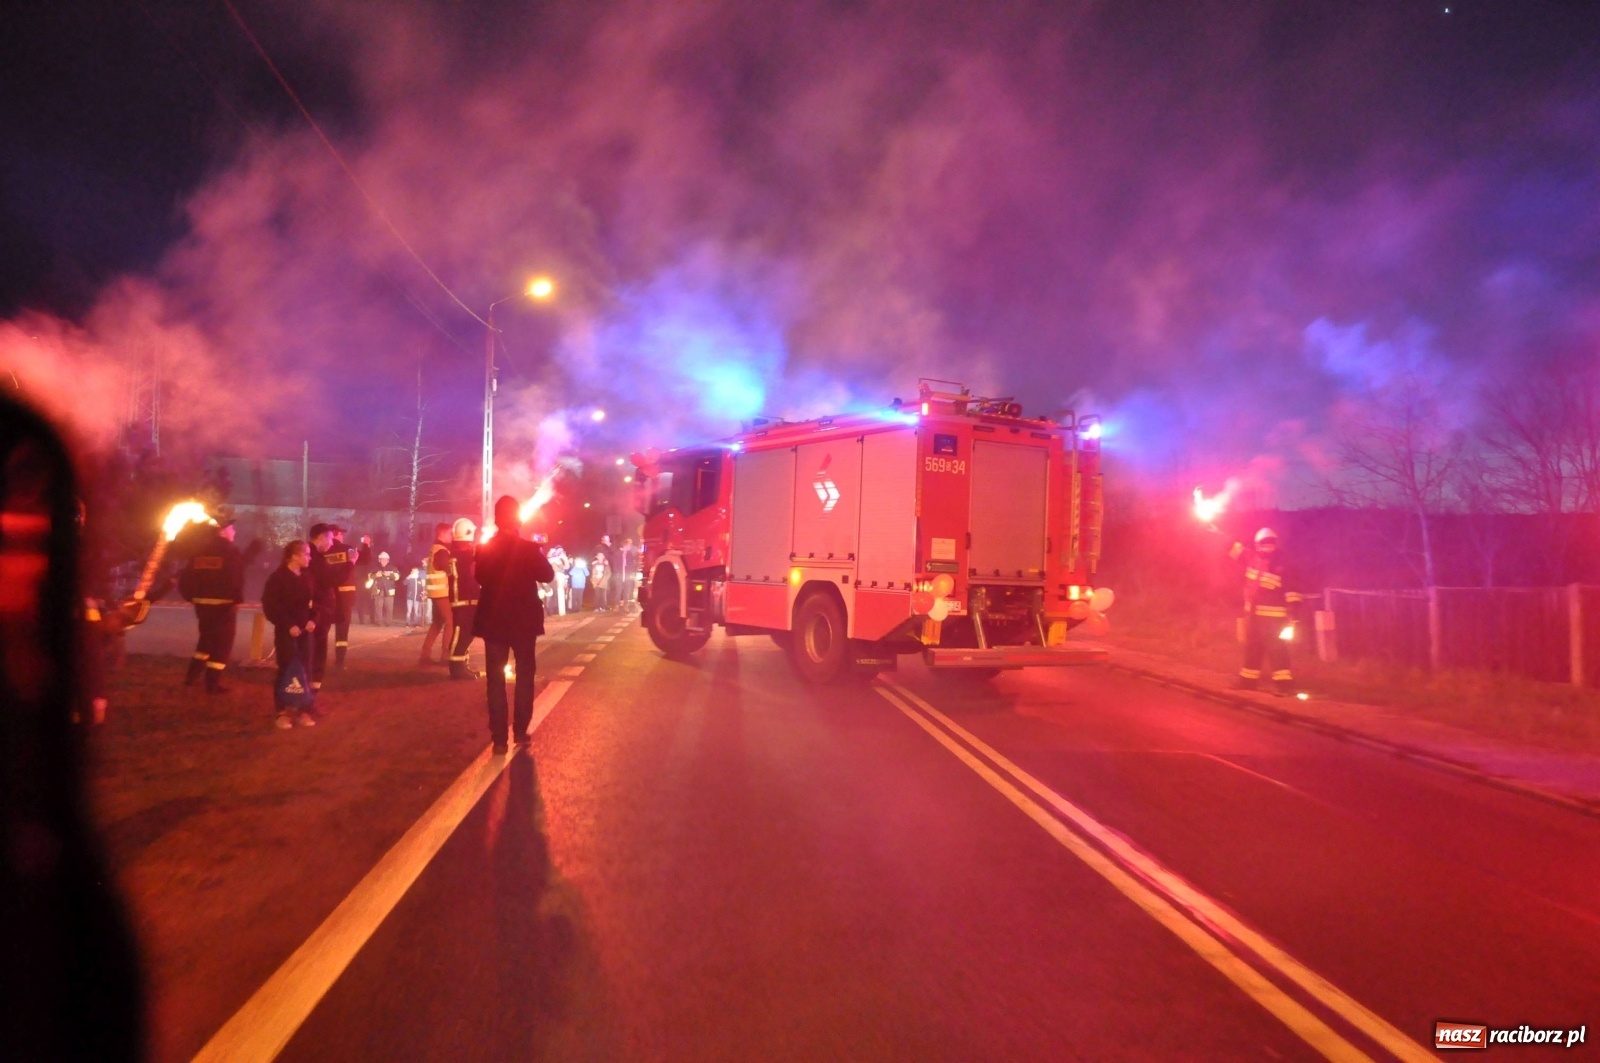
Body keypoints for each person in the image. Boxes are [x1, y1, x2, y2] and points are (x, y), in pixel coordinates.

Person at [473, 495, 556, 754]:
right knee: (524, 675)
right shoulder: (528, 549)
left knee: (495, 678)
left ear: (496, 520)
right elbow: (548, 575)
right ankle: (520, 730)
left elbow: (480, 578)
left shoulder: (485, 549)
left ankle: (499, 738)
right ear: (517, 518)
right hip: (523, 621)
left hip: (494, 621)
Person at [1231, 527, 1303, 695]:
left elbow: (1293, 590)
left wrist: (1294, 616)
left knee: (1277, 650)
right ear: (1257, 544)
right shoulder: (1250, 557)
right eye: (1264, 543)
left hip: (1274, 618)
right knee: (1252, 649)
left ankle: (1284, 687)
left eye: (1270, 543)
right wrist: (1211, 527)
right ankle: (1248, 682)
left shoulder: (1283, 563)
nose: (1267, 546)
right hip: (1254, 616)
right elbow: (1232, 547)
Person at [178, 518, 245, 693]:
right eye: (231, 529)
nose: (234, 532)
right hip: (223, 606)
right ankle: (212, 684)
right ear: (222, 531)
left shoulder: (200, 552)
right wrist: (237, 600)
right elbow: (236, 578)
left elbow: (186, 578)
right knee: (222, 644)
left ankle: (191, 677)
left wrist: (192, 597)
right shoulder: (230, 552)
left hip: (202, 606)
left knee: (206, 641)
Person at [261, 540, 319, 728]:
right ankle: (282, 713)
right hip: (287, 634)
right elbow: (271, 606)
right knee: (286, 670)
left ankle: (304, 711)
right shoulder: (278, 578)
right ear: (294, 556)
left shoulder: (308, 577)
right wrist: (287, 625)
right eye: (306, 554)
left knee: (305, 671)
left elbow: (316, 602)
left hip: (305, 634)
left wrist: (313, 620)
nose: (309, 558)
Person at [305, 523, 340, 692]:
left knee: (314, 653)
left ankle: (310, 696)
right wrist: (350, 564)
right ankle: (308, 697)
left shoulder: (312, 556)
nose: (332, 543)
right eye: (331, 539)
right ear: (321, 538)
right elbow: (330, 581)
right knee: (316, 654)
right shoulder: (314, 558)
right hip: (317, 613)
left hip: (318, 612)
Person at [447, 517, 481, 680]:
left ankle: (462, 665)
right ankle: (456, 667)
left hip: (466, 599)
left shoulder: (459, 553)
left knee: (467, 633)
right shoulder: (463, 554)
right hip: (463, 600)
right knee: (461, 633)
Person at [325, 524, 362, 668]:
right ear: (335, 534)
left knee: (323, 628)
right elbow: (365, 559)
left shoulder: (323, 551)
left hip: (328, 595)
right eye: (341, 534)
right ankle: (339, 662)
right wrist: (366, 545)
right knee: (342, 631)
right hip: (346, 596)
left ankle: (316, 659)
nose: (342, 536)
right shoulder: (348, 549)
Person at [419, 523, 455, 665]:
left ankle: (425, 655)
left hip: (435, 592)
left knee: (437, 623)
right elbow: (449, 570)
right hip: (441, 592)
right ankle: (445, 656)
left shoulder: (435, 549)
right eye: (450, 534)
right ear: (443, 534)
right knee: (450, 622)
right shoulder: (441, 551)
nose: (452, 537)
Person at [370, 550, 400, 625]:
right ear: (379, 560)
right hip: (378, 591)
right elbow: (370, 576)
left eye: (385, 559)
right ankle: (378, 622)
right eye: (382, 559)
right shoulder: (375, 568)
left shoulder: (393, 568)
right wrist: (376, 575)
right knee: (378, 608)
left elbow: (397, 577)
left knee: (389, 608)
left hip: (389, 591)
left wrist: (389, 575)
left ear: (388, 560)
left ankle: (388, 622)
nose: (383, 561)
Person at [354, 534, 376, 624]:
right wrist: (365, 544)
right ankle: (361, 619)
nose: (365, 540)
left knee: (371, 600)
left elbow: (371, 562)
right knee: (361, 600)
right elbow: (364, 558)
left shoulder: (372, 551)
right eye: (364, 539)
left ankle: (372, 619)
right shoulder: (360, 551)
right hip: (361, 578)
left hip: (369, 578)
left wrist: (373, 576)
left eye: (367, 539)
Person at [546, 544, 569, 615]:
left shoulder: (560, 560)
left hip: (559, 579)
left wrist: (565, 558)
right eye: (559, 550)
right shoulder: (551, 557)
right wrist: (559, 556)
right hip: (551, 579)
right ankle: (548, 610)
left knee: (557, 595)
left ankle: (556, 609)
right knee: (550, 595)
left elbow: (567, 567)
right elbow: (549, 560)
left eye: (561, 550)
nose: (560, 552)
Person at [619, 536, 640, 610]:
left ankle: (626, 605)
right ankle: (618, 604)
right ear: (625, 545)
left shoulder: (630, 554)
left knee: (627, 590)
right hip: (620, 575)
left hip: (627, 575)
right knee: (619, 589)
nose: (630, 546)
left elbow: (632, 563)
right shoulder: (619, 553)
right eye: (628, 545)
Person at [403, 564, 425, 628]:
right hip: (410, 598)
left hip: (417, 598)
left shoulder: (419, 579)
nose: (414, 572)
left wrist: (422, 594)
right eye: (413, 571)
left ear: (418, 572)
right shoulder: (410, 578)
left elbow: (422, 588)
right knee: (409, 611)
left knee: (416, 611)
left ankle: (416, 624)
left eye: (415, 571)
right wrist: (408, 577)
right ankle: (407, 623)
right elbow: (404, 583)